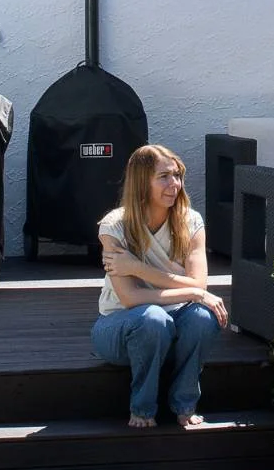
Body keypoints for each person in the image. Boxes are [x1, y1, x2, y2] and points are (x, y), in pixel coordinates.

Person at [94, 144, 231, 428]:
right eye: (164, 177)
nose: (174, 184)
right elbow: (130, 298)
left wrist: (137, 267)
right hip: (119, 326)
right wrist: (194, 291)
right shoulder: (115, 226)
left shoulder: (191, 222)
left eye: (177, 175)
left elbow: (199, 283)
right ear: (142, 182)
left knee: (202, 317)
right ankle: (142, 409)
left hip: (174, 323)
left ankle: (184, 404)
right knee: (153, 318)